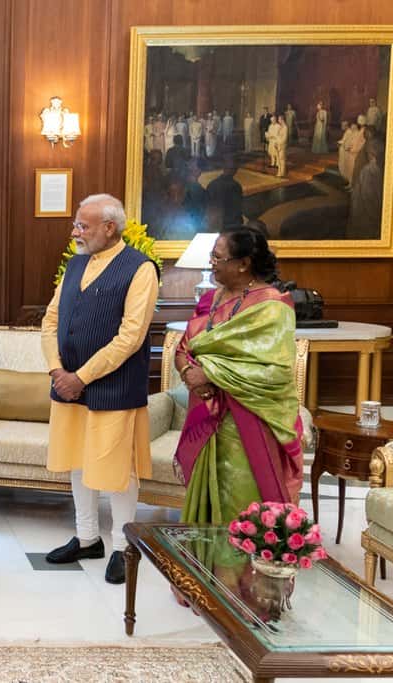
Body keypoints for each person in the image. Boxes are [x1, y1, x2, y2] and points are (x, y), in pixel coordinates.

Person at [41, 194, 159, 584]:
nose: (75, 232)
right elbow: (50, 320)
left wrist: (81, 377)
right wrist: (58, 370)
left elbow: (131, 336)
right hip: (68, 384)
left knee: (117, 469)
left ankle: (124, 547)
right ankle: (87, 536)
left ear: (110, 228)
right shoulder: (75, 265)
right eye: (76, 224)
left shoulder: (140, 269)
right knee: (78, 460)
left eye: (83, 226)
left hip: (114, 386)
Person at [174, 227, 303, 527]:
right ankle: (204, 571)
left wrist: (209, 374)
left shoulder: (272, 306)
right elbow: (185, 348)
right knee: (206, 508)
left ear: (243, 263)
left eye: (218, 257)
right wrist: (188, 373)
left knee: (240, 505)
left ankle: (242, 574)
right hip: (206, 418)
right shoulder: (210, 300)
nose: (211, 263)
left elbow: (275, 371)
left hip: (248, 424)